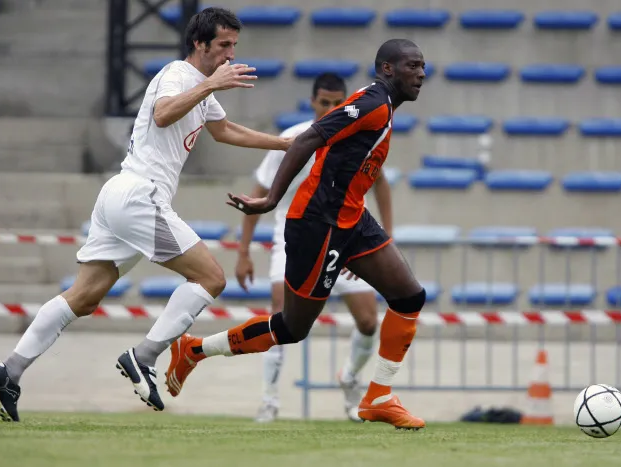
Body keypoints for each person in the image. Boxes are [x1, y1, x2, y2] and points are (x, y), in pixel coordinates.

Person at [0, 7, 296, 422]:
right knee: (211, 278)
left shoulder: (200, 87)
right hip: (139, 196)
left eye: (234, 45)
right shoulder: (178, 75)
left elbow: (225, 131)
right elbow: (163, 113)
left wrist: (286, 146)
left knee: (85, 297)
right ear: (199, 44)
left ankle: (10, 371)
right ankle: (144, 356)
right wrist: (211, 86)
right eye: (223, 45)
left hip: (119, 194)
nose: (230, 54)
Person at [166, 38, 427, 430]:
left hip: (351, 219)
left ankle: (379, 396)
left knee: (409, 297)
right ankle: (193, 350)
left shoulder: (384, 108)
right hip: (318, 224)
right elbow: (308, 138)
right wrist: (272, 199)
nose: (421, 74)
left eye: (423, 66)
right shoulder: (371, 103)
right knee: (291, 327)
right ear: (388, 69)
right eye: (412, 65)